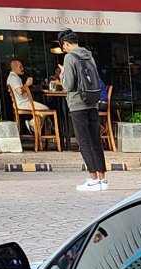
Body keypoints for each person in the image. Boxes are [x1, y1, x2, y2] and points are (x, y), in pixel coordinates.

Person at [58, 29, 107, 192]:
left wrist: (62, 74)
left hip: (78, 104)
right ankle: (102, 179)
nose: (64, 49)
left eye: (63, 46)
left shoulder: (69, 57)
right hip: (92, 102)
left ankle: (93, 179)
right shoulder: (89, 55)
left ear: (66, 44)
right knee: (95, 140)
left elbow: (68, 85)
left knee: (83, 141)